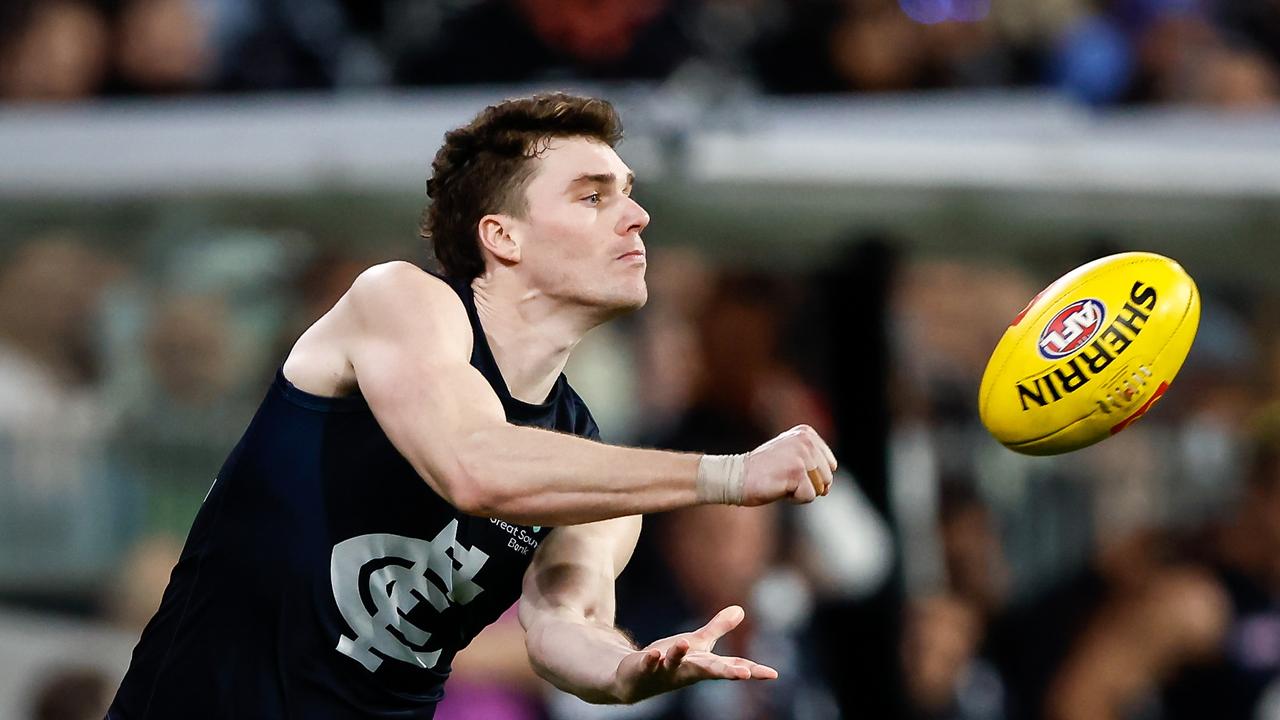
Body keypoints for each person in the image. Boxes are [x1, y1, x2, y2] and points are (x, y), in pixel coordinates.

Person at [106, 92, 838, 719]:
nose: (638, 215)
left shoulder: (592, 471)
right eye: (593, 195)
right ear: (501, 235)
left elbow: (563, 625)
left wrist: (626, 670)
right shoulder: (398, 301)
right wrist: (731, 475)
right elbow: (474, 466)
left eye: (629, 191)